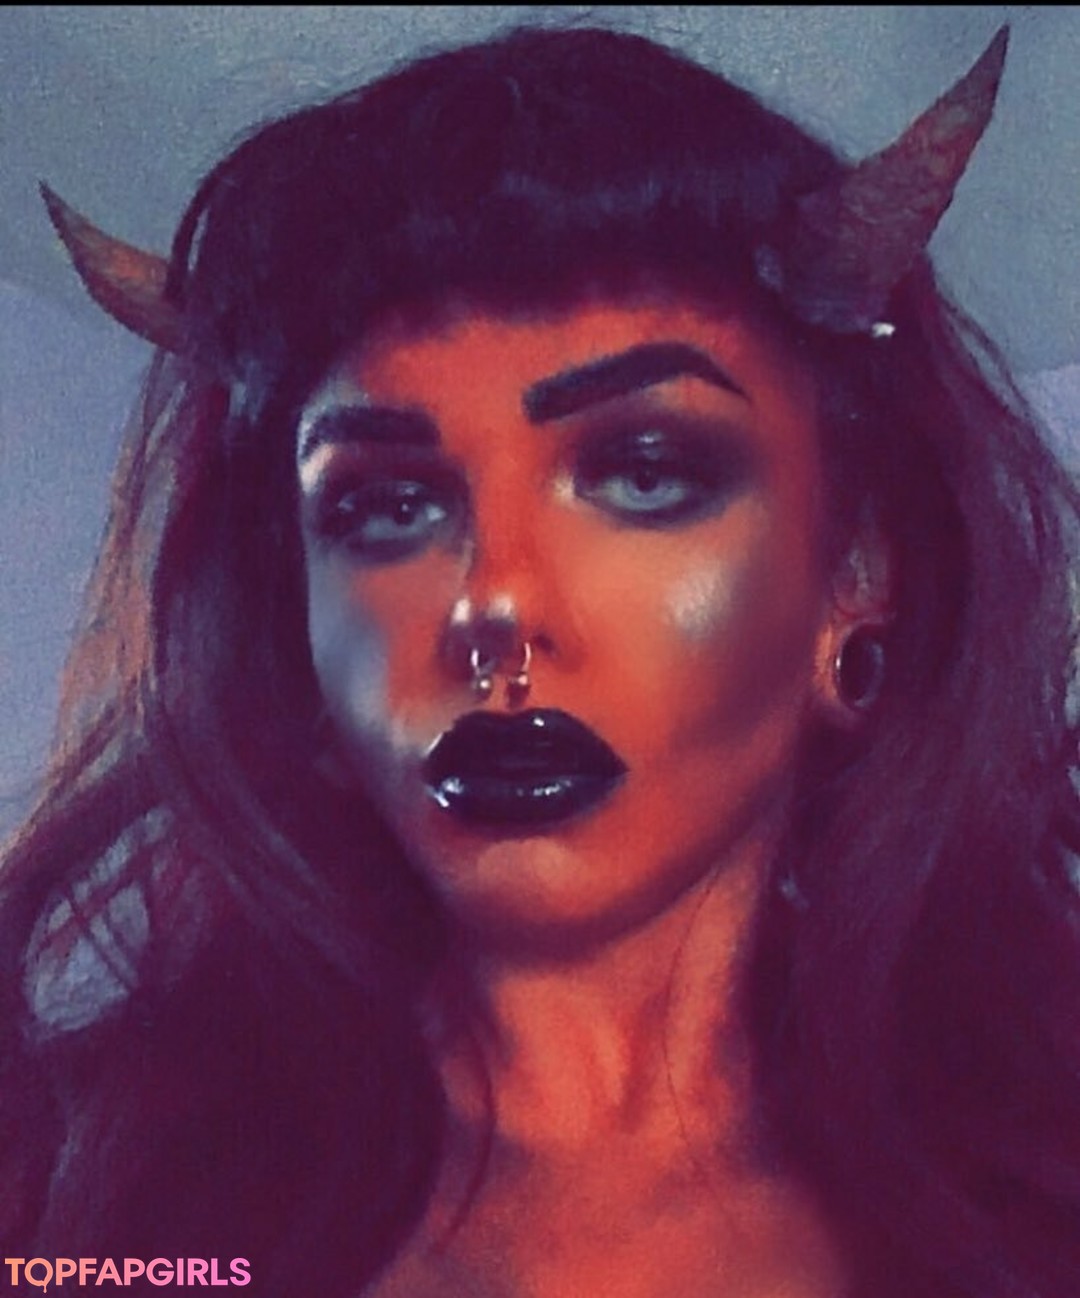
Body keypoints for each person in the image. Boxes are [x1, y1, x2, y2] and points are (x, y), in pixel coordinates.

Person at [2, 22, 1078, 1297]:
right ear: (293, 620)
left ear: (855, 574)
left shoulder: (1041, 1182)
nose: (495, 603)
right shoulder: (72, 1192)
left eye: (642, 472)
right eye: (387, 505)